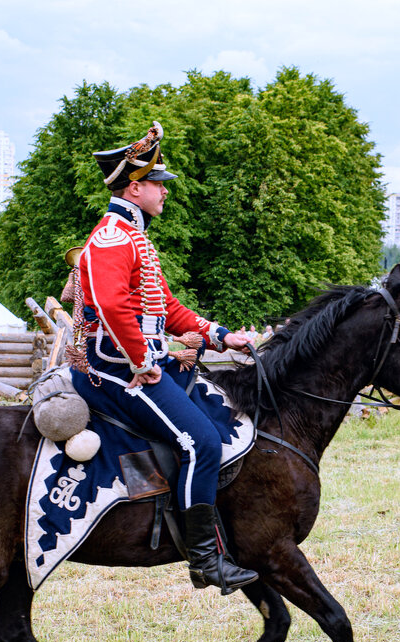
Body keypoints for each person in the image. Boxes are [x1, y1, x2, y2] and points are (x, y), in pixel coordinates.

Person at [68, 121, 257, 594]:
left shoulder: (134, 237)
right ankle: (206, 562)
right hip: (113, 372)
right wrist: (140, 361)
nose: (165, 193)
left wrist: (219, 335)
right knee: (203, 443)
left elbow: (166, 309)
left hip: (138, 363)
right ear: (135, 187)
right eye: (158, 184)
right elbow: (112, 307)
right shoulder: (113, 238)